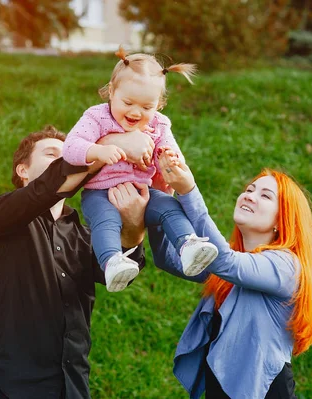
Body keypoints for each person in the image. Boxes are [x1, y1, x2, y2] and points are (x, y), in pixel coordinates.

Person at [0, 125, 151, 399]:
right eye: (52, 154)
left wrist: (134, 228)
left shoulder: (85, 236)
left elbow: (118, 275)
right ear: (23, 170)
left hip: (72, 386)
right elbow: (43, 191)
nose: (65, 159)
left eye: (68, 152)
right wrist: (105, 147)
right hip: (13, 384)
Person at [147, 149, 312, 399]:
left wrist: (189, 192)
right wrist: (159, 206)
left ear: (281, 219)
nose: (250, 196)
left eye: (265, 195)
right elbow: (167, 258)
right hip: (221, 388)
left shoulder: (287, 266)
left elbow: (224, 262)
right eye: (250, 189)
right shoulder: (235, 264)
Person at [62, 46, 218, 293]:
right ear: (111, 92)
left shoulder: (159, 124)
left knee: (170, 207)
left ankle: (188, 246)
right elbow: (70, 147)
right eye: (127, 102)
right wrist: (98, 151)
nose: (136, 112)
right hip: (100, 192)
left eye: (147, 107)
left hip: (142, 190)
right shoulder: (97, 117)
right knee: (106, 221)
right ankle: (112, 261)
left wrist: (169, 158)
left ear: (160, 104)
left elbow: (170, 148)